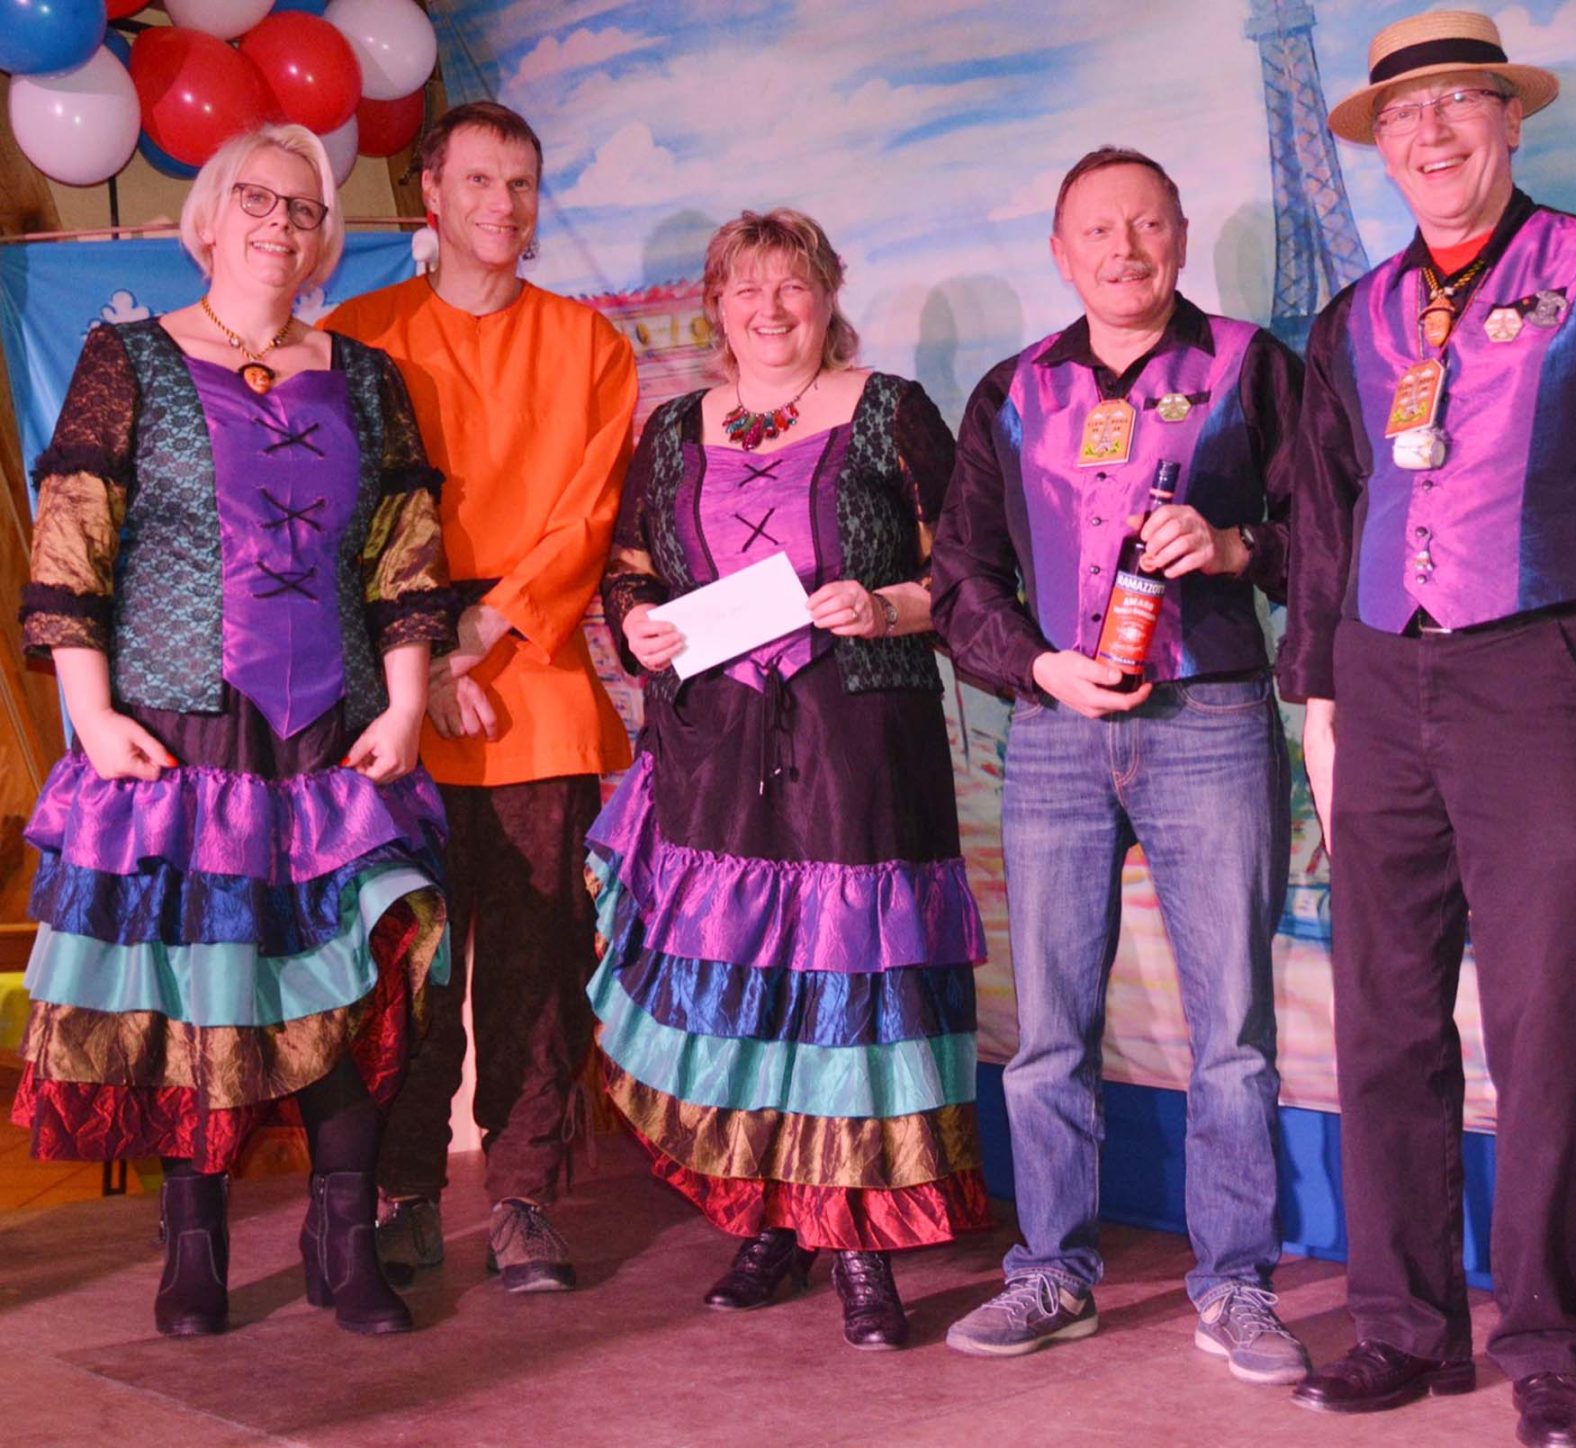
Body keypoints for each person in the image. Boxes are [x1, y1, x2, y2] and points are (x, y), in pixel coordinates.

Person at [1279, 12, 1576, 1445]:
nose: (1430, 135)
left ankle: (1550, 1345)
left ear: (1508, 118)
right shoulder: (1351, 317)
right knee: (1382, 1016)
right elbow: (1326, 523)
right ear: (1382, 149)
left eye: (1457, 105)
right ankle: (1401, 1324)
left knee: (1546, 1025)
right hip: (1379, 679)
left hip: (1538, 677)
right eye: (1403, 116)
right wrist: (1320, 696)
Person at [12, 124, 455, 1337]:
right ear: (207, 220)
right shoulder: (128, 359)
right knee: (195, 993)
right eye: (256, 198)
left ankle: (343, 1239)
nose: (280, 222)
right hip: (177, 734)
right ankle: (194, 1243)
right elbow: (72, 539)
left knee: (343, 980)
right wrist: (91, 710)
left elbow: (404, 554)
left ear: (324, 238)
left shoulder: (367, 376)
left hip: (333, 741)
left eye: (304, 206)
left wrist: (406, 700)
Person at [933, 147, 1306, 1380]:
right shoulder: (1012, 390)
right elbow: (962, 579)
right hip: (1054, 731)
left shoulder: (1252, 366)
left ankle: (1238, 1282)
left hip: (1214, 718)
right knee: (1050, 1028)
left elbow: (1334, 529)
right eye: (1098, 230)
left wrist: (1239, 545)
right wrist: (1040, 668)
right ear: (1060, 251)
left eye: (1147, 225)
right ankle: (1051, 1269)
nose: (1125, 249)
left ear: (1181, 236)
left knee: (1232, 1029)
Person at [589, 208, 987, 1351]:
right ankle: (772, 1215)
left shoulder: (890, 409)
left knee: (847, 987)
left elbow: (967, 570)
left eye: (792, 285)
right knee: (752, 983)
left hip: (857, 746)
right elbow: (630, 569)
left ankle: (857, 1237)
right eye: (746, 288)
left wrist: (888, 604)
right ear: (716, 306)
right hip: (717, 751)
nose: (770, 308)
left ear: (828, 294)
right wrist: (640, 625)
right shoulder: (673, 428)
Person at [325, 102, 639, 1293]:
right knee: (408, 963)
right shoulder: (356, 335)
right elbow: (338, 518)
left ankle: (522, 1195)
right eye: (477, 181)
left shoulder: (588, 343)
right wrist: (423, 652)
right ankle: (402, 1191)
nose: (501, 205)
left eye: (521, 183)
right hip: (392, 692)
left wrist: (479, 635)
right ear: (430, 192)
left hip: (531, 682)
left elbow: (589, 517)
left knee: (536, 965)